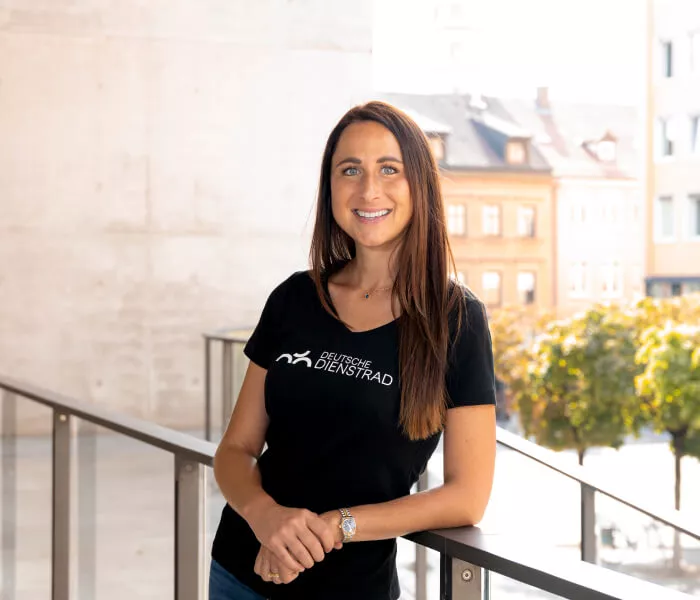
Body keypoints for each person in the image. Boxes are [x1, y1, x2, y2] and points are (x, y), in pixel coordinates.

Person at [210, 101, 497, 600]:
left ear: (419, 186)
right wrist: (266, 517)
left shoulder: (456, 320)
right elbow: (235, 450)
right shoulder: (294, 299)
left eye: (390, 169)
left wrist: (336, 526)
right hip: (240, 572)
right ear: (330, 188)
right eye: (350, 170)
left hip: (352, 588)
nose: (369, 190)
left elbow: (467, 498)